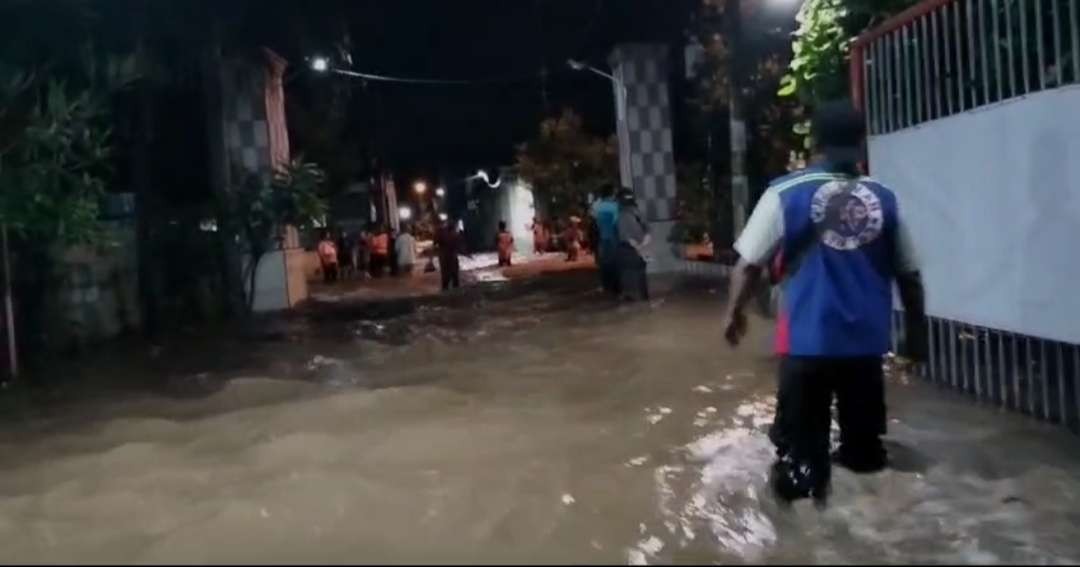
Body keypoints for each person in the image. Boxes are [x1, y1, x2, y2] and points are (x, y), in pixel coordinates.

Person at [721, 99, 927, 504]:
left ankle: (804, 538)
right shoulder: (883, 198)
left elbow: (748, 267)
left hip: (807, 345)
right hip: (866, 348)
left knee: (800, 461)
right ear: (860, 143)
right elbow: (910, 274)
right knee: (865, 456)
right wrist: (917, 338)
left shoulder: (785, 193)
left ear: (815, 142)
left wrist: (734, 313)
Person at [616, 190, 651, 301]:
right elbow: (648, 233)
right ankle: (645, 304)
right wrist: (642, 248)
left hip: (628, 252)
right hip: (641, 254)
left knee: (630, 286)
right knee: (642, 282)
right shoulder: (639, 213)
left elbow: (626, 237)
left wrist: (636, 247)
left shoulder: (621, 215)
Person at [591, 184, 622, 296]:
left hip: (602, 237)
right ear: (612, 193)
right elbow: (617, 223)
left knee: (604, 263)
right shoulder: (616, 206)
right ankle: (617, 288)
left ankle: (606, 286)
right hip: (613, 237)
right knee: (615, 263)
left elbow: (595, 222)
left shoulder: (596, 206)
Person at [434, 217, 465, 291]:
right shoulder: (456, 234)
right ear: (454, 227)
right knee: (455, 277)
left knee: (445, 277)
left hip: (444, 258)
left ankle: (445, 292)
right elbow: (460, 247)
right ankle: (455, 293)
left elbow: (435, 243)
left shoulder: (440, 233)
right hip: (452, 258)